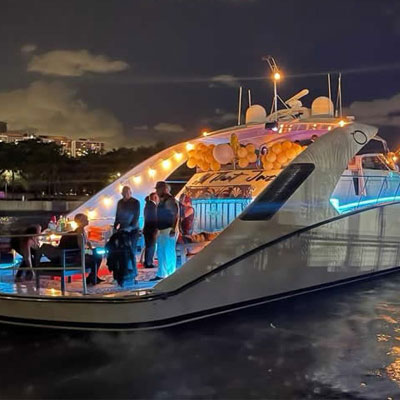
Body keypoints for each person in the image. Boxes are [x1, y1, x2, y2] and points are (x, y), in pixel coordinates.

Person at [41, 213, 103, 285]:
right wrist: (90, 251)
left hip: (77, 254)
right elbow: (81, 246)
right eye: (85, 219)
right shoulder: (79, 232)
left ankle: (92, 277)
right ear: (80, 221)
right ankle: (92, 277)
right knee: (96, 256)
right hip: (75, 256)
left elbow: (88, 243)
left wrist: (91, 250)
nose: (87, 220)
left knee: (97, 255)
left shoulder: (82, 231)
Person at [151, 181, 179, 280]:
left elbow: (175, 215)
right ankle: (162, 274)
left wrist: (173, 229)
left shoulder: (170, 200)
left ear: (164, 189)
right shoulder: (163, 200)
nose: (157, 192)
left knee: (168, 252)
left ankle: (170, 274)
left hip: (168, 229)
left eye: (158, 189)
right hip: (163, 229)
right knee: (161, 252)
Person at [114, 185, 140, 281]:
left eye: (127, 193)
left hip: (133, 230)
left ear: (130, 193)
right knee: (122, 251)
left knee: (131, 250)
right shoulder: (120, 202)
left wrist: (131, 227)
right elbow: (117, 215)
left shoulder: (135, 202)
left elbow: (136, 216)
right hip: (122, 229)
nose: (125, 195)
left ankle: (133, 272)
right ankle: (124, 271)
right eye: (124, 193)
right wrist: (115, 226)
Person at [143, 192, 159, 268]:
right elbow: (154, 219)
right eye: (157, 197)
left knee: (149, 246)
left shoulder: (148, 205)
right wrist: (156, 229)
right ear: (155, 197)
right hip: (151, 230)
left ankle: (147, 262)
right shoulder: (152, 206)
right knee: (151, 246)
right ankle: (148, 263)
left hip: (147, 229)